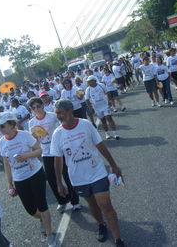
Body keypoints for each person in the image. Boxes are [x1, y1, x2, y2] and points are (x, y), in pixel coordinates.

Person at [50, 99, 125, 247]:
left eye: (60, 112)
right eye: (56, 113)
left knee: (105, 205)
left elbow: (100, 145)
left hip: (97, 172)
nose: (57, 116)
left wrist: (113, 165)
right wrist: (59, 182)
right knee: (92, 204)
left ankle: (118, 240)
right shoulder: (57, 134)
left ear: (70, 111)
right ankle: (101, 224)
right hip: (78, 178)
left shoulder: (85, 124)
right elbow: (58, 160)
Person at [0, 112, 56, 246]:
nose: (0, 129)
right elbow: (6, 163)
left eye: (2, 126)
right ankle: (43, 219)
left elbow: (39, 150)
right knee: (31, 210)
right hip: (19, 178)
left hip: (35, 173)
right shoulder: (1, 141)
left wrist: (26, 156)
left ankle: (50, 234)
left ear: (12, 124)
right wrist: (10, 184)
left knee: (42, 204)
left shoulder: (24, 135)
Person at [28, 97, 81, 213]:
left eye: (38, 106)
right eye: (33, 108)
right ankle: (62, 201)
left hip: (59, 150)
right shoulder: (31, 122)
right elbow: (35, 140)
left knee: (67, 175)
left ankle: (75, 200)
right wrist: (35, 137)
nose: (36, 109)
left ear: (42, 105)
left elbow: (62, 127)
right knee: (52, 179)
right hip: (46, 152)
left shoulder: (52, 115)